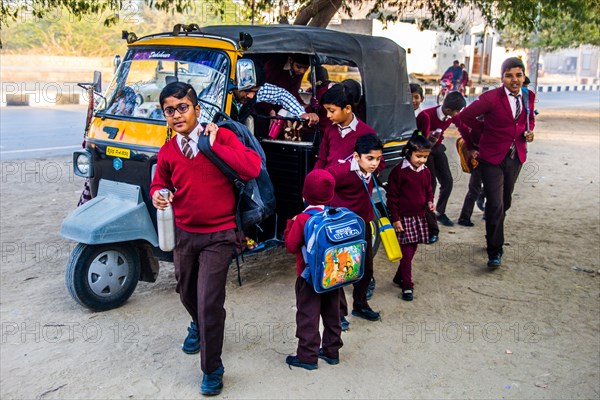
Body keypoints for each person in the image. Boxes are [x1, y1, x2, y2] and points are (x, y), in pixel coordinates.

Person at [150, 82, 261, 395]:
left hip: (221, 233)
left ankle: (212, 368)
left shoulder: (221, 136)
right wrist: (159, 194)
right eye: (169, 110)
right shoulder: (168, 150)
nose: (176, 114)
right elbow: (160, 183)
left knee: (209, 301)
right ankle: (198, 324)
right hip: (185, 233)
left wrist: (216, 145)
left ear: (196, 109)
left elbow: (252, 168)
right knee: (186, 291)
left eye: (182, 107)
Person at [458, 57, 535, 268]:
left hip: (515, 156)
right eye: (509, 75)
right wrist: (484, 131)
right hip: (491, 158)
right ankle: (495, 250)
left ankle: (494, 232)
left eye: (518, 75)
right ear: (502, 78)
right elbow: (464, 117)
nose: (514, 80)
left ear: (523, 76)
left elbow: (529, 119)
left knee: (505, 202)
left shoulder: (528, 96)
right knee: (495, 204)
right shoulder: (491, 98)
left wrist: (528, 133)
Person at [283, 169, 343, 370]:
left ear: (304, 194)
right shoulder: (334, 215)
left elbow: (291, 246)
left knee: (307, 315)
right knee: (332, 313)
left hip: (308, 276)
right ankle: (331, 351)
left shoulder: (302, 218)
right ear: (331, 195)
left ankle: (307, 357)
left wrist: (289, 225)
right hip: (333, 276)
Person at [328, 134, 384, 324]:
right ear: (356, 156)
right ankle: (338, 314)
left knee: (366, 269)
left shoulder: (370, 169)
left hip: (363, 225)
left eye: (378, 158)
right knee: (341, 272)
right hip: (343, 229)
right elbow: (321, 182)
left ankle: (360, 305)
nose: (375, 163)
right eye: (370, 158)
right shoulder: (341, 171)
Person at [386, 131, 434, 301]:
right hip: (404, 218)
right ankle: (407, 285)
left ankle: (399, 276)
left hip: (419, 216)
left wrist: (430, 201)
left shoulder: (426, 171)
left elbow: (429, 190)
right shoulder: (399, 172)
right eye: (418, 156)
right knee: (406, 252)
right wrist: (396, 219)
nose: (422, 160)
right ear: (409, 153)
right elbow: (391, 198)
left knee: (413, 249)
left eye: (425, 157)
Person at [420, 92, 468, 228]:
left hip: (438, 149)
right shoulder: (426, 115)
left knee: (447, 181)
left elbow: (462, 128)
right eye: (457, 111)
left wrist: (469, 146)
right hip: (425, 150)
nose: (458, 114)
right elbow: (419, 135)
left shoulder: (452, 116)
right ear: (448, 109)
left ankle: (440, 212)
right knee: (431, 184)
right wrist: (426, 139)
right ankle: (427, 217)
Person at [313, 82, 382, 171]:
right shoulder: (329, 129)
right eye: (326, 111)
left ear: (348, 109)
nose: (328, 115)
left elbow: (379, 163)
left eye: (332, 111)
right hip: (330, 182)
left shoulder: (366, 132)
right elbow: (322, 159)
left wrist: (351, 167)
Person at [230, 61, 318, 127]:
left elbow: (282, 95)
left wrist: (301, 113)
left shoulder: (257, 91)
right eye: (247, 90)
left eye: (256, 92)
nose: (251, 96)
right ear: (234, 82)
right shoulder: (220, 95)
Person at [410, 83, 439, 243]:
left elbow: (420, 139)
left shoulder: (422, 117)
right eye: (410, 96)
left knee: (424, 198)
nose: (413, 100)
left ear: (422, 99)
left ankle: (433, 230)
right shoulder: (402, 114)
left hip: (418, 160)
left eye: (416, 97)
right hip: (406, 160)